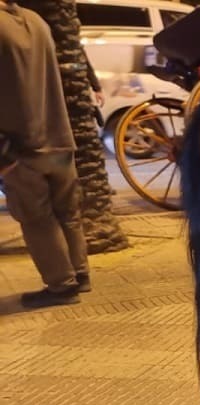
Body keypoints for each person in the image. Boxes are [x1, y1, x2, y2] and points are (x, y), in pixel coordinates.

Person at [0, 0, 91, 308]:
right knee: (68, 212)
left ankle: (61, 286)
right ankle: (80, 274)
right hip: (59, 137)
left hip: (21, 146)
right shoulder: (36, 20)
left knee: (37, 218)